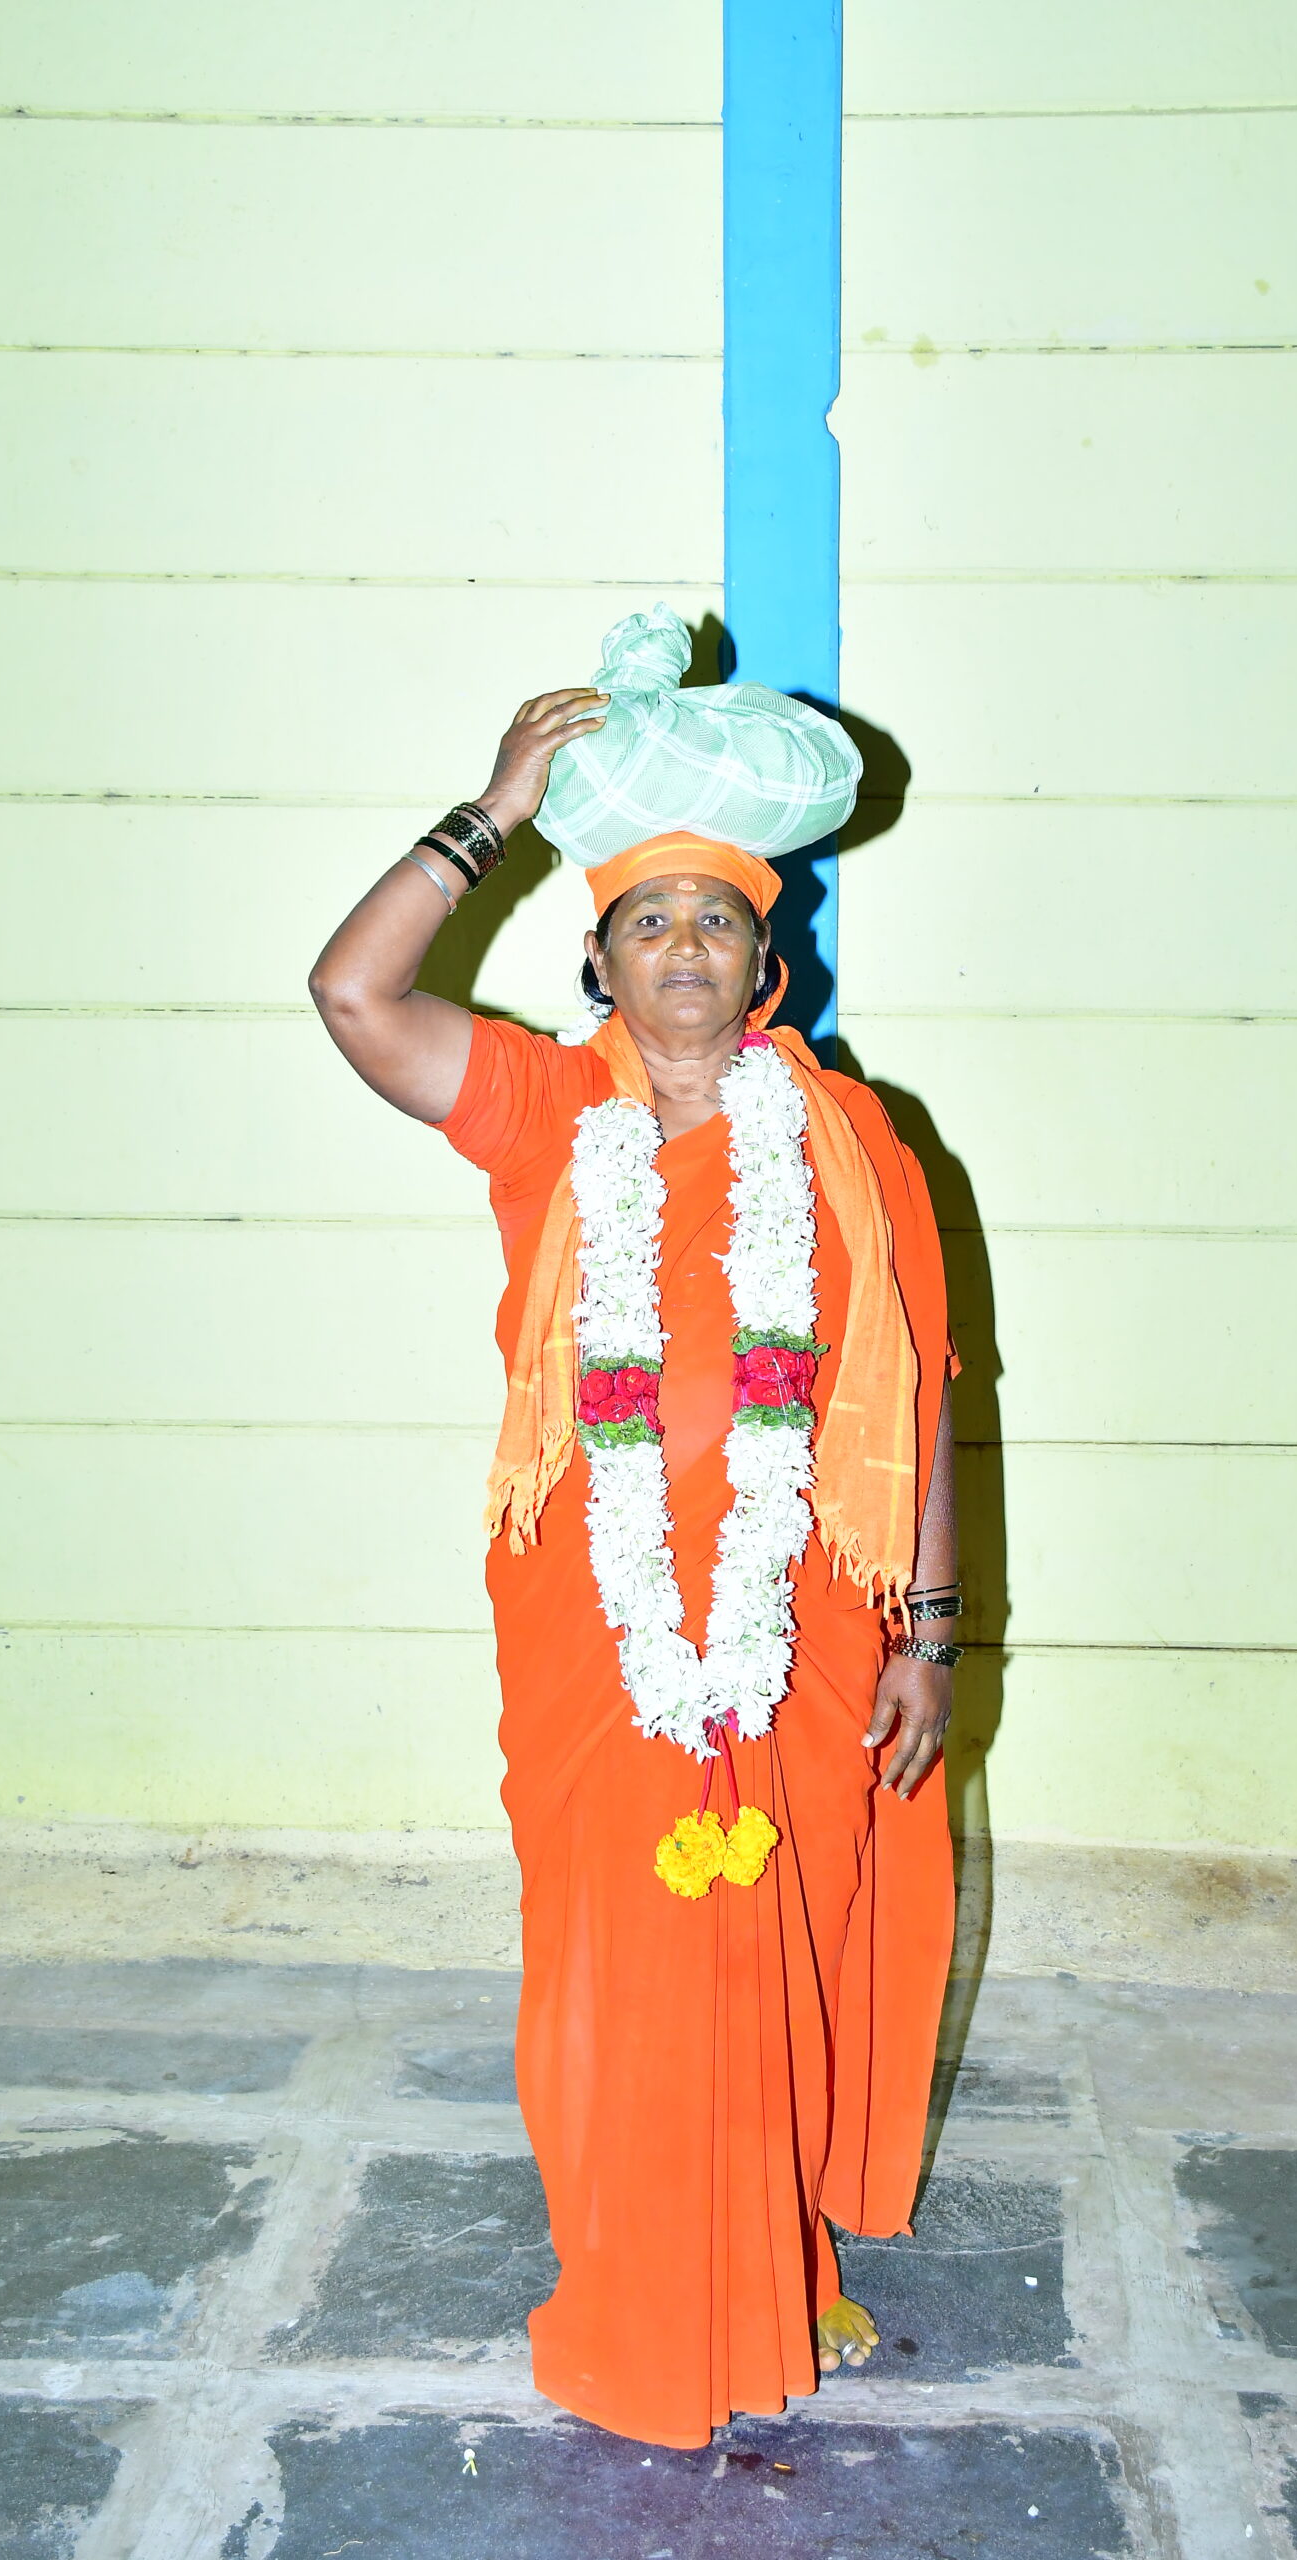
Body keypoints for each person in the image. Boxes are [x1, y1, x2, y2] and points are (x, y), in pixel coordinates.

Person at [309, 687, 960, 2450]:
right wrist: (494, 810)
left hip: (807, 1618)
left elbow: (922, 1393)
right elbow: (356, 995)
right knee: (616, 1952)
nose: (683, 945)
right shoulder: (544, 1106)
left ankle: (777, 2258)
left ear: (768, 965)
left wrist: (931, 1632)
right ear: (598, 961)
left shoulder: (856, 1141)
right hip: (594, 1626)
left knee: (783, 1943)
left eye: (717, 919)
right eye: (648, 919)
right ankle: (635, 2279)